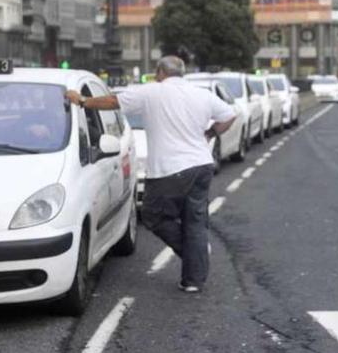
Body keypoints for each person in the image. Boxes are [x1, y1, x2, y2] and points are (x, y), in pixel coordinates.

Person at [65, 56, 236, 293]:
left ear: (160, 72)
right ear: (181, 73)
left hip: (169, 169)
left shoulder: (151, 92)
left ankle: (192, 251)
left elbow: (113, 101)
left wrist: (83, 100)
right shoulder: (201, 94)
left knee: (153, 215)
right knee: (195, 222)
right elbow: (229, 115)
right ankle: (193, 278)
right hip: (201, 166)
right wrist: (209, 134)